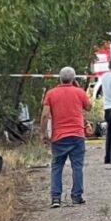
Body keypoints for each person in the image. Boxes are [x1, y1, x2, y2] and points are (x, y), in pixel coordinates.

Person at [41, 67, 92, 208]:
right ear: (74, 78)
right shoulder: (79, 92)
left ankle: (56, 198)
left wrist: (43, 133)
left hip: (59, 137)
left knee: (57, 167)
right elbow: (89, 107)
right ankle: (77, 196)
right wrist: (80, 89)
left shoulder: (51, 94)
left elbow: (45, 115)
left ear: (59, 78)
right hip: (77, 135)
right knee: (77, 167)